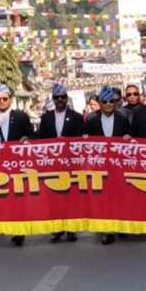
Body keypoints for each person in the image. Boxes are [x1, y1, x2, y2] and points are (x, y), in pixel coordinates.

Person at [0, 84, 33, 246]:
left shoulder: (21, 116)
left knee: (18, 197)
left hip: (18, 164)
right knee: (2, 197)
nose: (2, 102)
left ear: (10, 99)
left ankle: (19, 231)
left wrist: (26, 138)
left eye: (5, 99)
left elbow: (32, 135)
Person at [84, 86, 130, 245]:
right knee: (105, 198)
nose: (109, 104)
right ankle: (108, 230)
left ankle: (122, 225)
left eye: (112, 101)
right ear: (100, 103)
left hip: (119, 165)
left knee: (120, 196)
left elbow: (131, 140)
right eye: (105, 101)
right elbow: (86, 143)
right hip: (100, 166)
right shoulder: (92, 121)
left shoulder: (123, 119)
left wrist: (128, 138)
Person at [37, 84, 83, 243]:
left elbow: (81, 139)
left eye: (63, 97)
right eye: (57, 98)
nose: (60, 100)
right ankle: (56, 229)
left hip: (71, 163)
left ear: (67, 97)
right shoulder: (46, 118)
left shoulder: (76, 117)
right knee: (53, 197)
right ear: (53, 99)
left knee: (71, 197)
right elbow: (40, 139)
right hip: (52, 164)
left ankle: (71, 228)